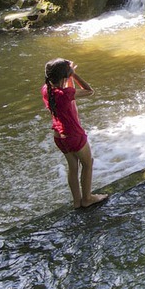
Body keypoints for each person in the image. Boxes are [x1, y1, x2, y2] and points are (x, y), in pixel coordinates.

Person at [41, 58, 108, 208]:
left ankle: (77, 202)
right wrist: (75, 75)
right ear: (65, 77)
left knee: (73, 168)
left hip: (59, 136)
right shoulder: (66, 94)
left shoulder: (47, 90)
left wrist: (67, 74)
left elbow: (66, 90)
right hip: (73, 135)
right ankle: (87, 199)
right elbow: (89, 91)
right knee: (88, 164)